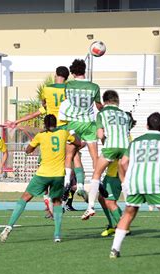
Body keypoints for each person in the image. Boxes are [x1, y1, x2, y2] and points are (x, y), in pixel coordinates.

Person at [109, 112, 160, 260]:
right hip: (155, 183)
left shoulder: (135, 142)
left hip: (135, 182)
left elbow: (122, 163)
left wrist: (125, 182)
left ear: (147, 125)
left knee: (128, 214)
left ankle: (114, 250)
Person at [0, 115, 81, 243]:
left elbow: (27, 150)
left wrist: (35, 143)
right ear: (56, 123)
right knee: (57, 202)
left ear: (45, 124)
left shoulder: (41, 136)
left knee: (25, 198)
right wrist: (72, 133)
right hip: (58, 175)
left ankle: (9, 226)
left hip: (43, 174)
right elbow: (77, 142)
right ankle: (57, 235)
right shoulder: (63, 133)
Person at [83, 90, 131, 220]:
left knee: (96, 175)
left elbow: (99, 134)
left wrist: (105, 141)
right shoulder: (126, 115)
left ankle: (90, 207)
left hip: (111, 146)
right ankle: (129, 205)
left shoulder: (102, 113)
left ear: (105, 101)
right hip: (126, 148)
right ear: (117, 100)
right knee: (124, 179)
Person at [59, 59, 103, 200]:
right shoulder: (94, 87)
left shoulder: (69, 85)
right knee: (94, 156)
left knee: (70, 155)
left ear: (72, 72)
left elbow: (67, 101)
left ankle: (66, 183)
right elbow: (98, 106)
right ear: (84, 70)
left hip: (74, 124)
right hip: (89, 123)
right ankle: (98, 181)